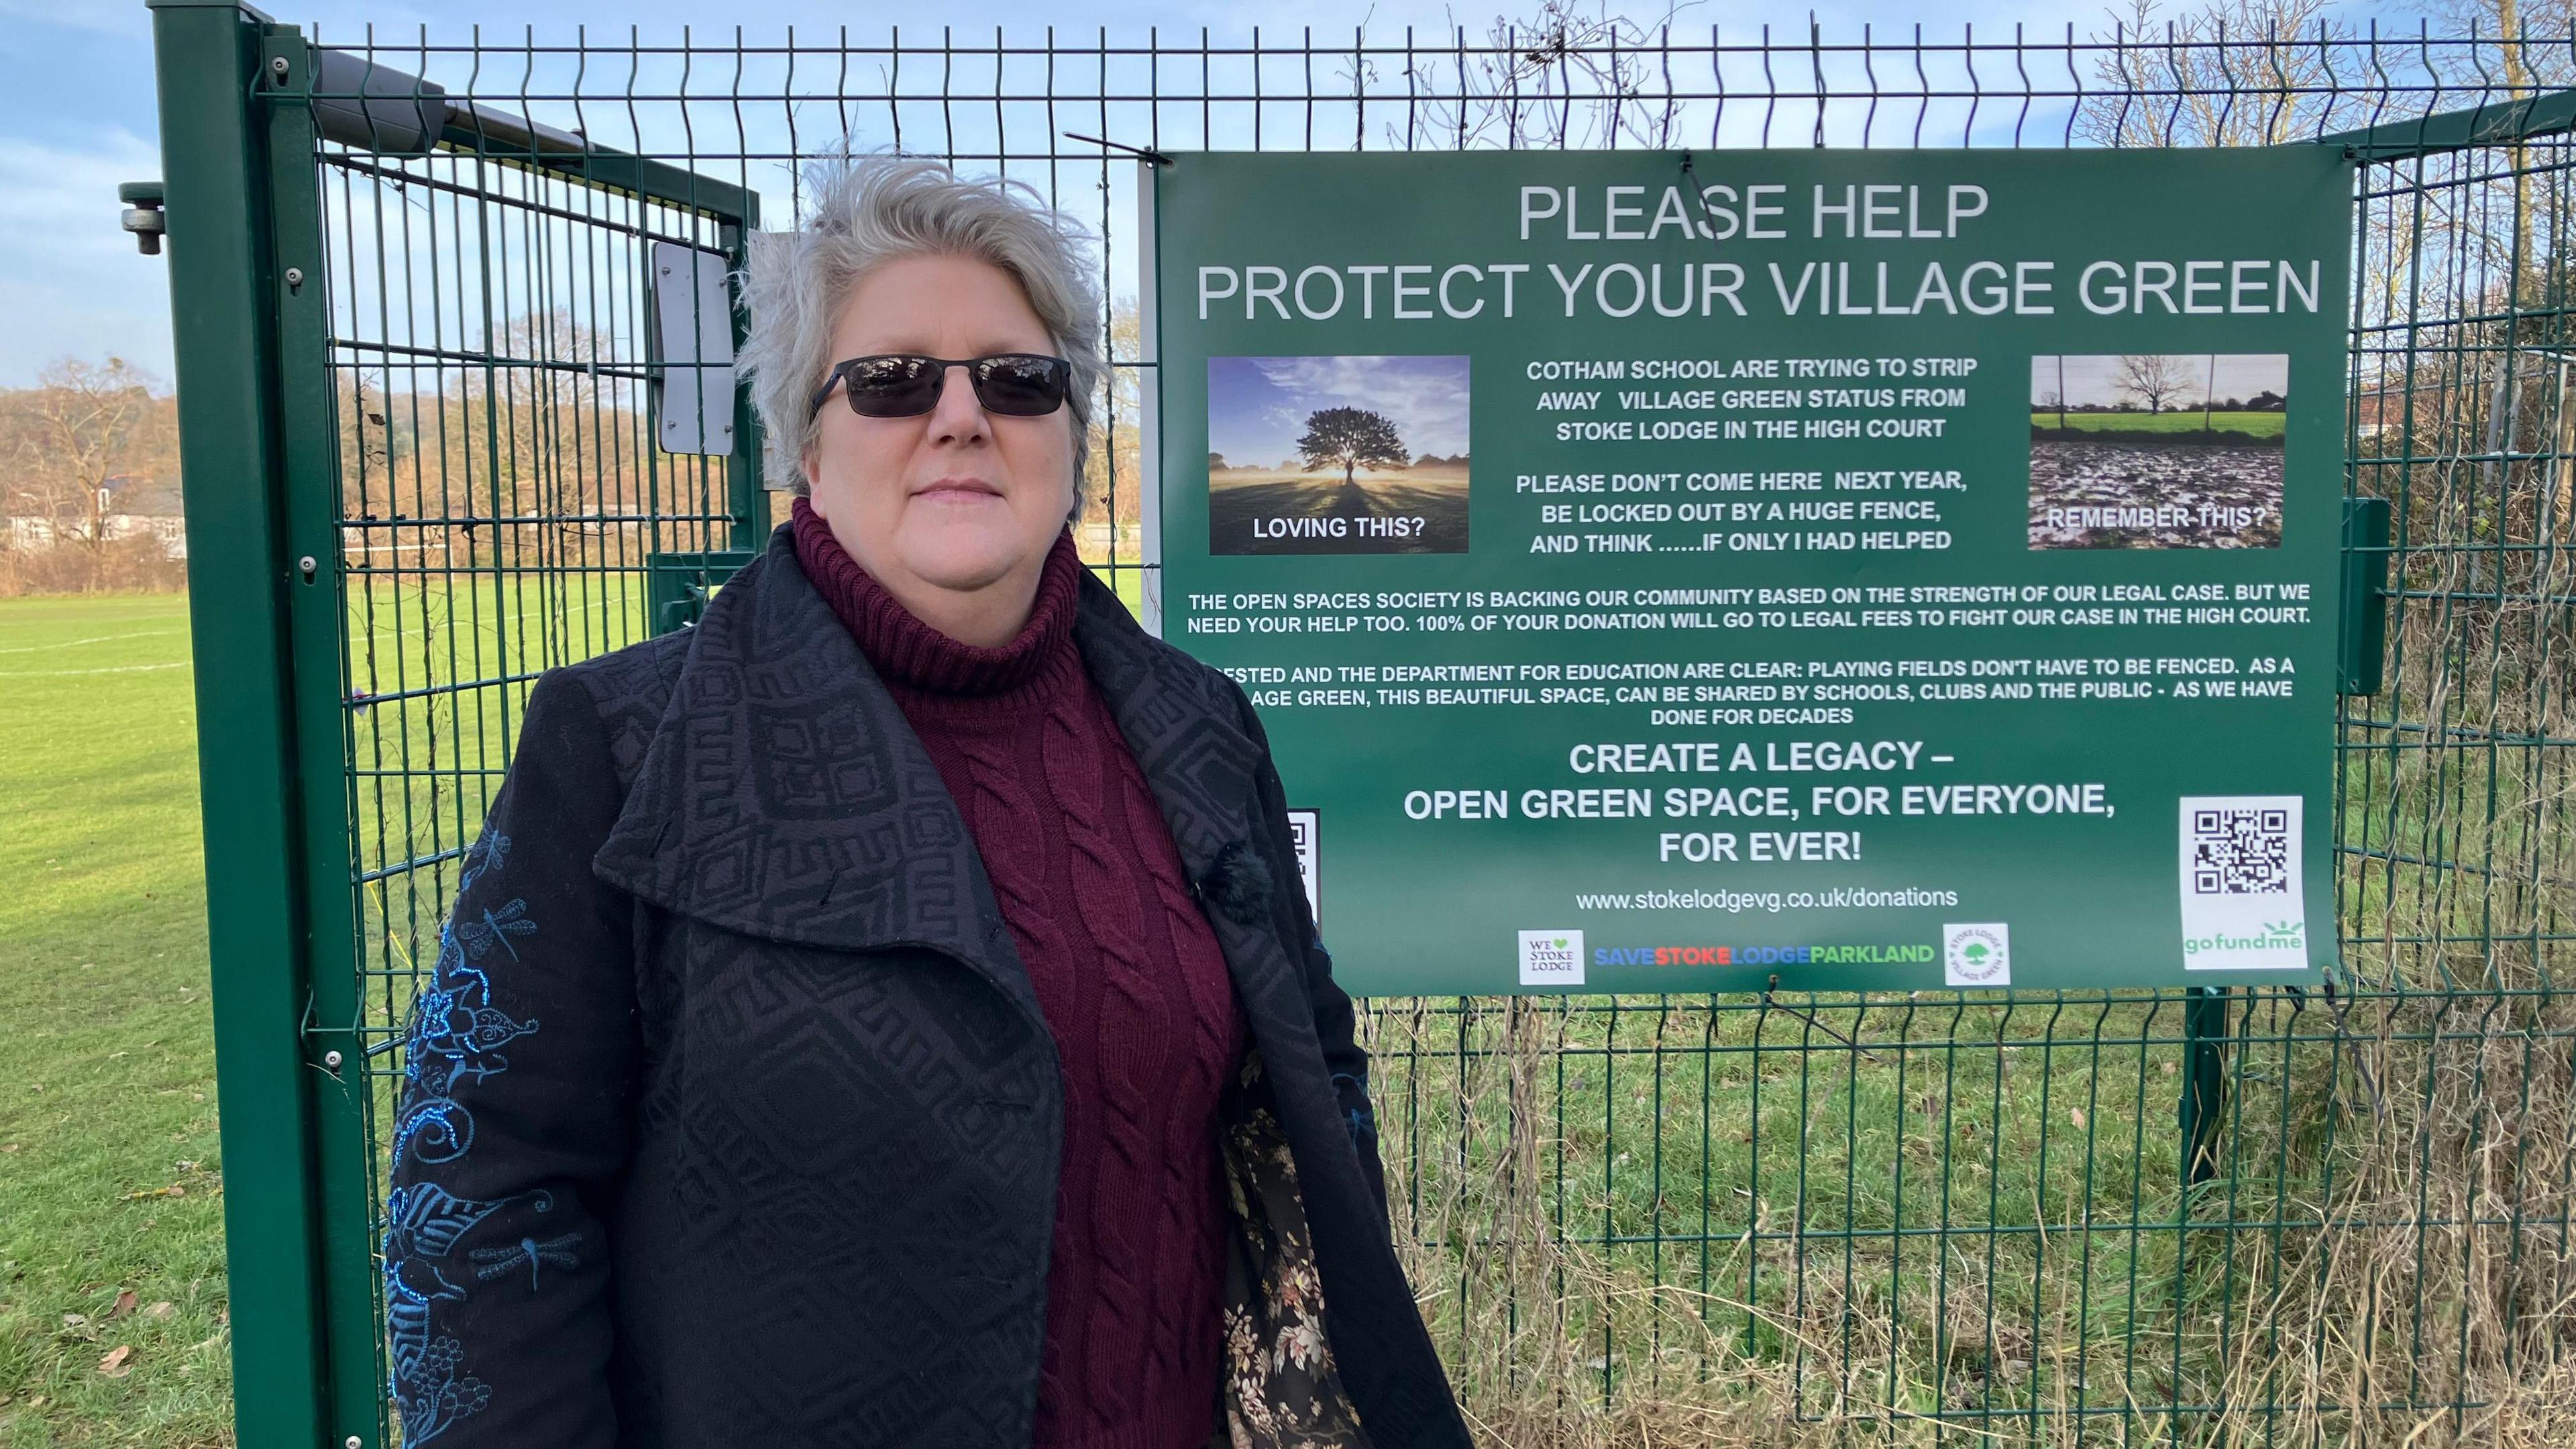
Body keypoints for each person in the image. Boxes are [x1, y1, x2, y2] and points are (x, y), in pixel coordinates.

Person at [382, 154, 1474, 1448]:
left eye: (1018, 381)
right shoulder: (624, 747)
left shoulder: (1200, 730)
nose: (962, 418)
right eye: (894, 381)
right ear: (805, 439)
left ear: (1072, 432)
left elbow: (1312, 1070)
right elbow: (487, 1192)